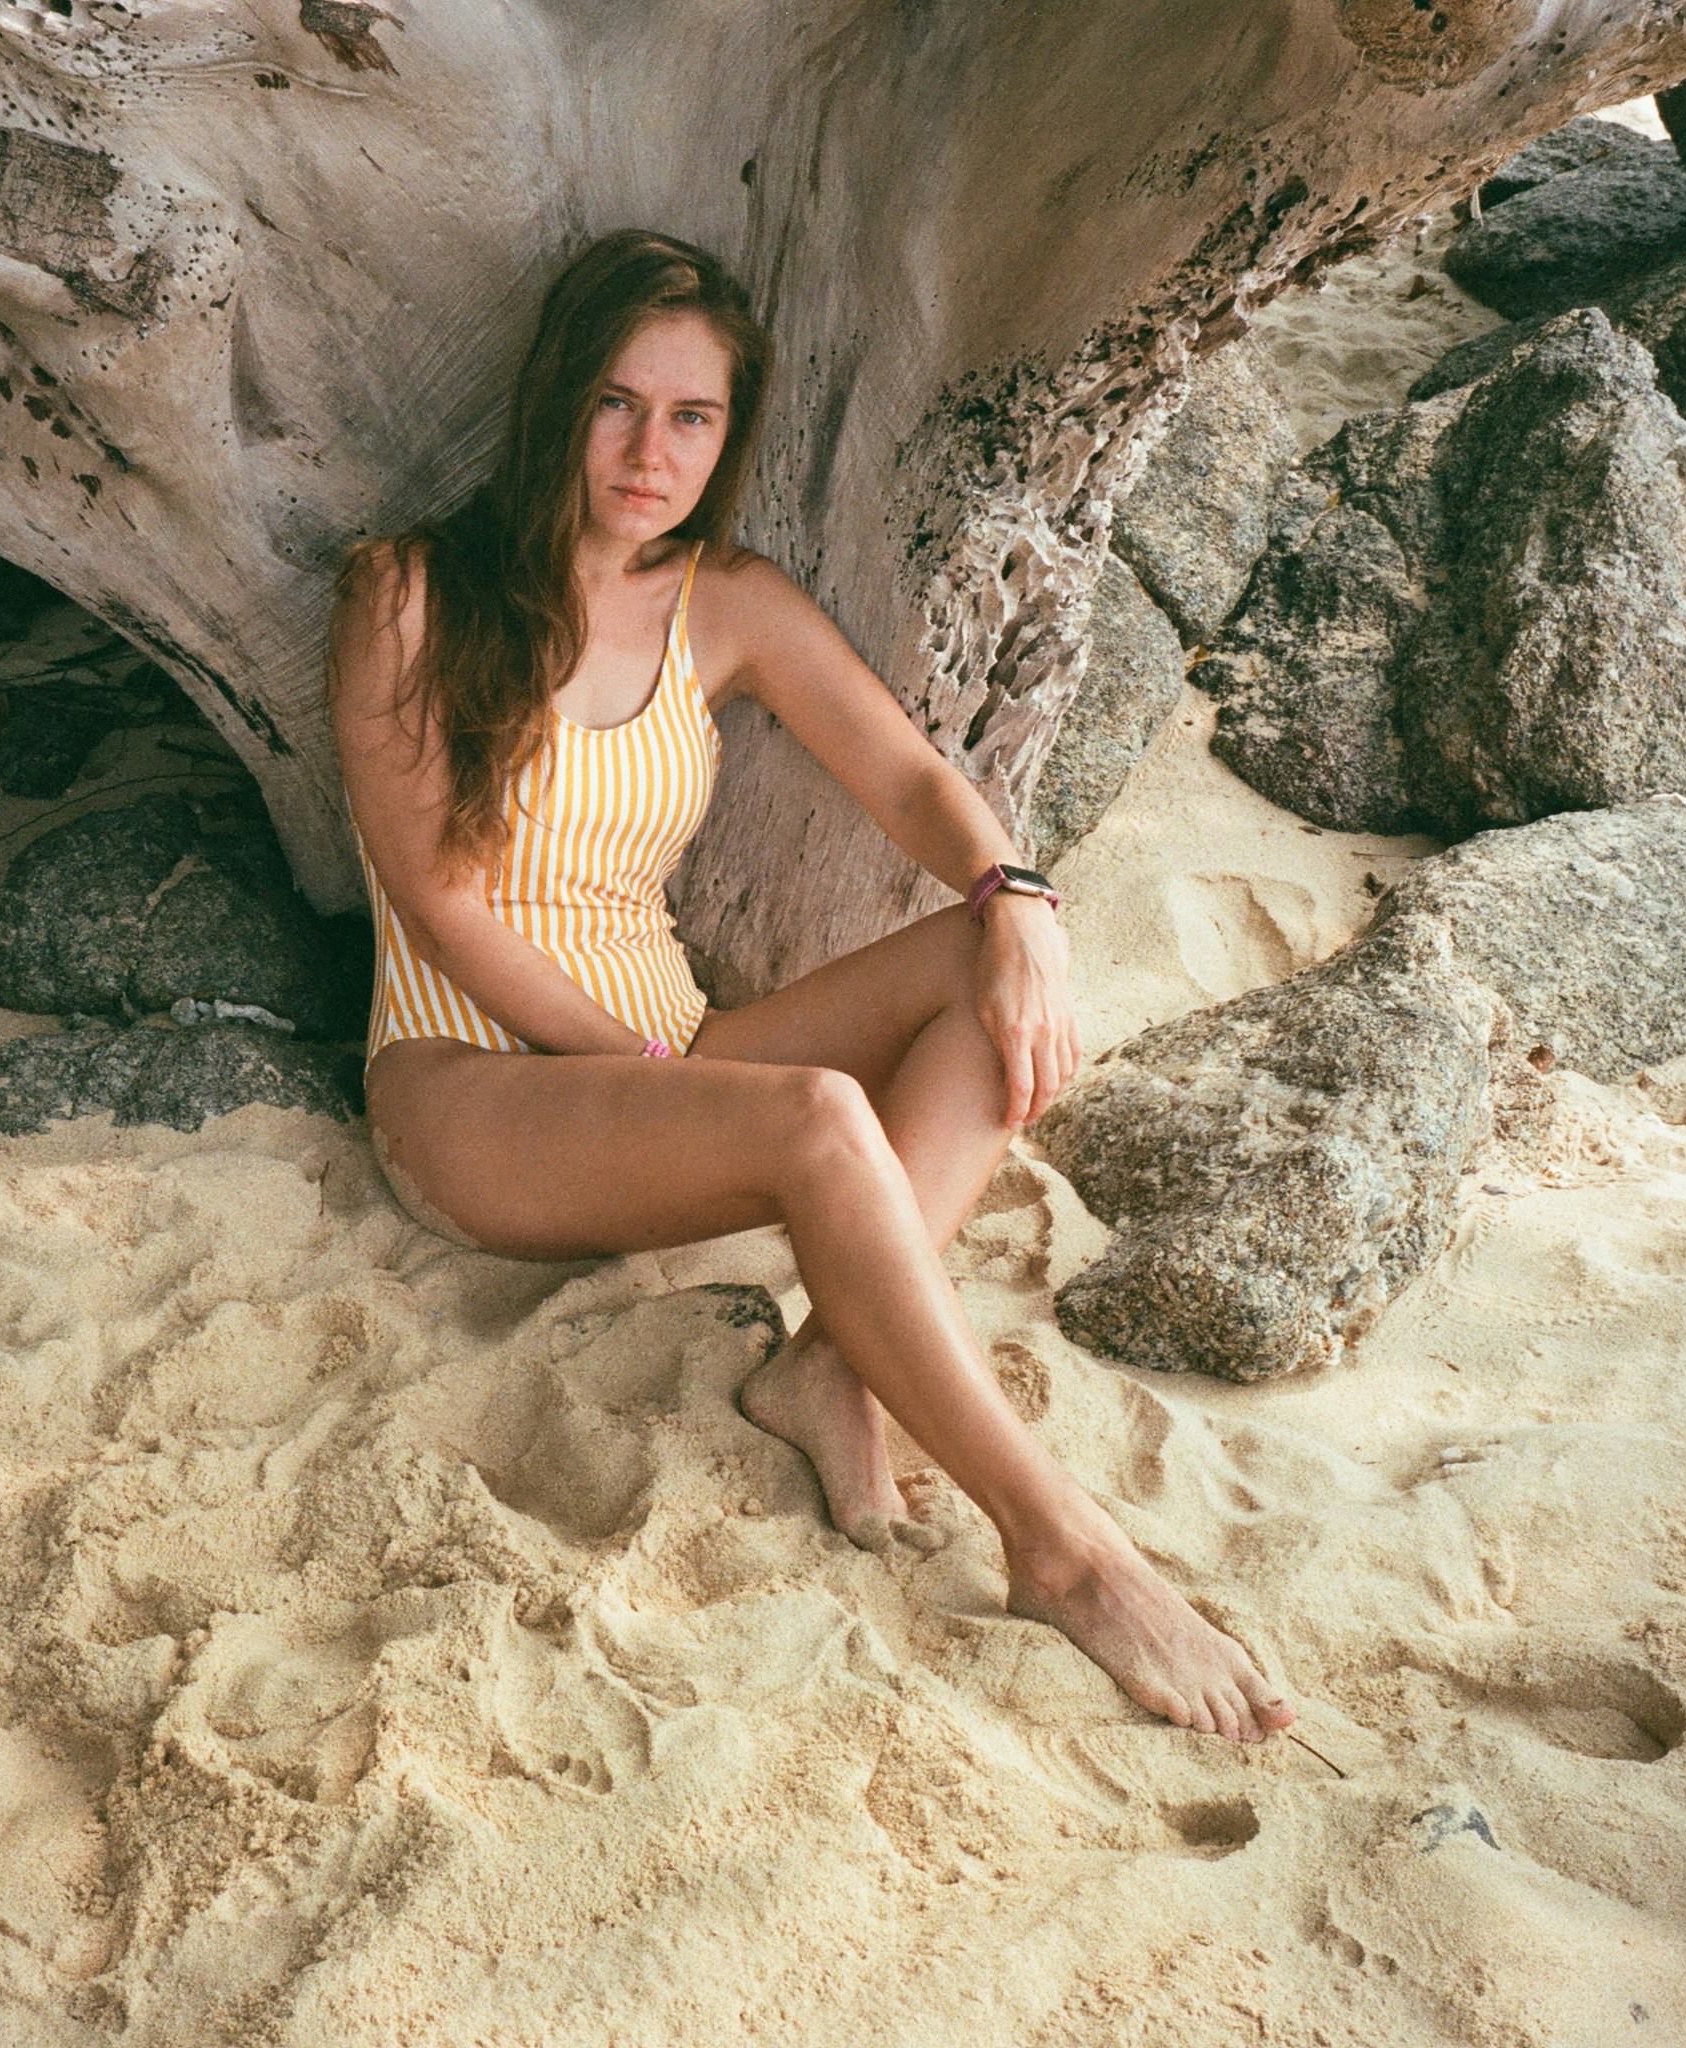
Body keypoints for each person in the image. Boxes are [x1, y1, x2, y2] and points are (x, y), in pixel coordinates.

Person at [329, 228, 1292, 1742]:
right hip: (471, 1087)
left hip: (675, 1057)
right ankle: (1066, 1550)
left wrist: (1018, 901)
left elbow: (912, 779)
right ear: (557, 401)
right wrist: (652, 1070)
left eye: (691, 417)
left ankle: (830, 1362)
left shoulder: (725, 604)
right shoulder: (407, 593)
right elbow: (442, 907)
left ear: (730, 435)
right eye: (616, 403)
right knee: (822, 1118)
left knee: (988, 973)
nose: (650, 452)